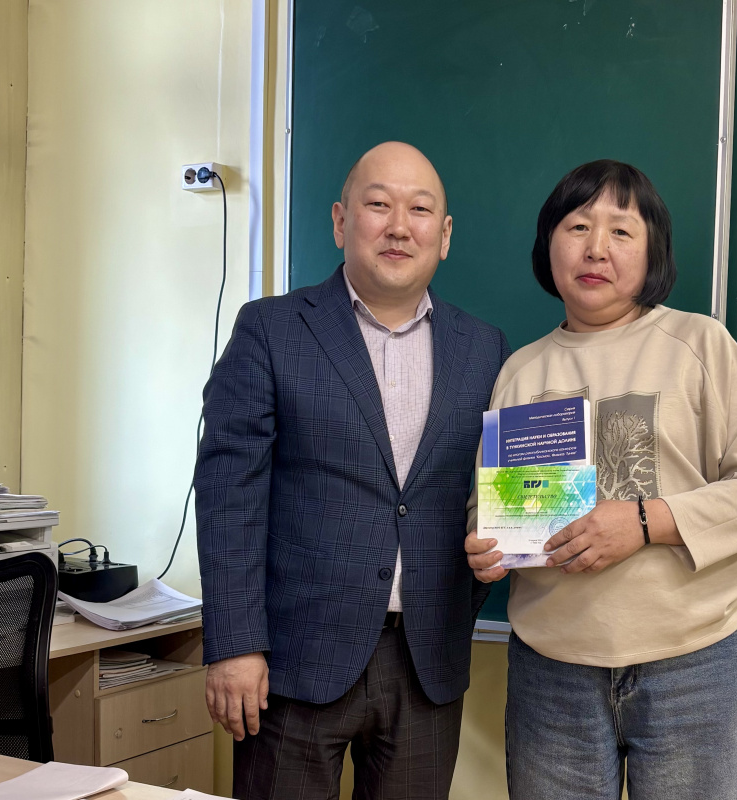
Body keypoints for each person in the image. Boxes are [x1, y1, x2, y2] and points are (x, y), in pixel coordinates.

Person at [465, 160, 737, 800]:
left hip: (693, 667)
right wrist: (485, 546)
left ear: (653, 251)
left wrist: (644, 522)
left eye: (621, 231)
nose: (596, 248)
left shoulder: (700, 344)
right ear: (548, 244)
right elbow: (488, 511)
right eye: (577, 226)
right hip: (551, 671)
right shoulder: (520, 371)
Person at [196, 141, 510, 800]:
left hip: (427, 662)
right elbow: (229, 496)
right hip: (292, 662)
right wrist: (235, 644)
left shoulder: (484, 349)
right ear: (341, 221)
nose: (399, 227)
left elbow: (487, 494)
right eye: (378, 205)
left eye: (419, 210)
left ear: (444, 235)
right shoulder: (271, 331)